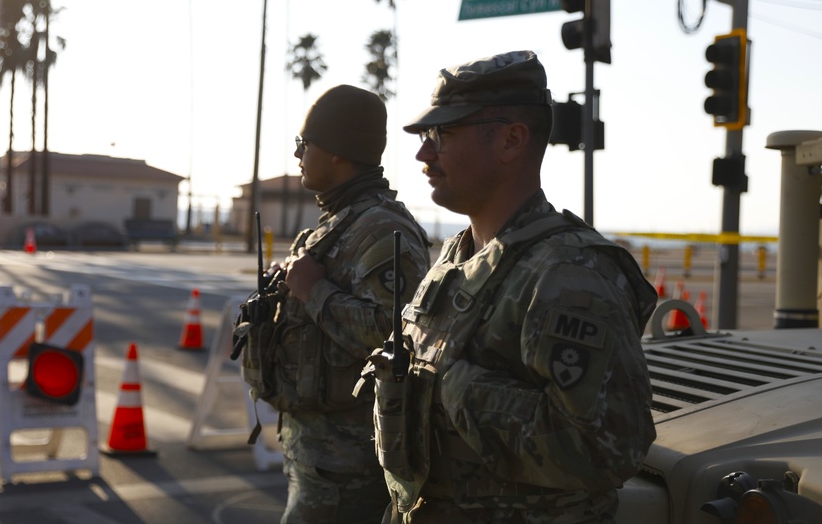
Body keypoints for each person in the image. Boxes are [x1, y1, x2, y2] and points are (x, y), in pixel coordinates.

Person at [362, 51, 657, 523]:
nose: (423, 153)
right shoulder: (458, 255)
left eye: (443, 133)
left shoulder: (567, 275)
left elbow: (607, 450)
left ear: (511, 140)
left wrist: (448, 383)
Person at [253, 84, 431, 523]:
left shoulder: (382, 230)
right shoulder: (339, 224)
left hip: (348, 463)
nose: (297, 155)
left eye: (303, 144)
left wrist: (314, 291)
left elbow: (397, 340)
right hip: (316, 451)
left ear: (337, 152)